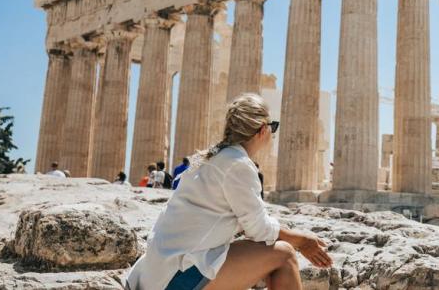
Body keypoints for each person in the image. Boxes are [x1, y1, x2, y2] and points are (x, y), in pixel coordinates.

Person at [125, 93, 330, 290]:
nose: (273, 134)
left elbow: (248, 225)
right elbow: (259, 229)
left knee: (261, 250)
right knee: (284, 255)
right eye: (273, 127)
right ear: (262, 130)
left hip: (156, 273)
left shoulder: (212, 157)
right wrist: (303, 240)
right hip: (174, 278)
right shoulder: (238, 164)